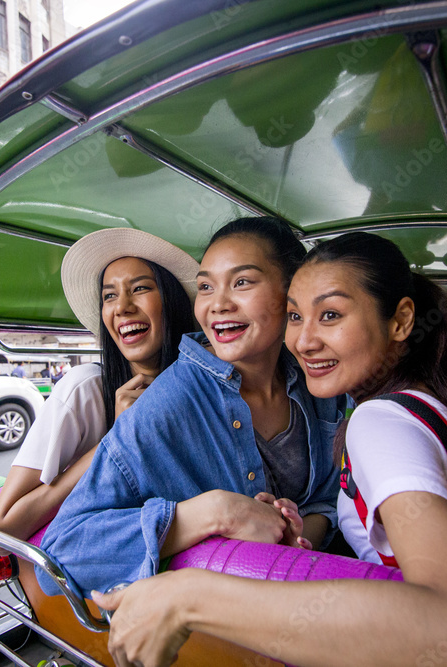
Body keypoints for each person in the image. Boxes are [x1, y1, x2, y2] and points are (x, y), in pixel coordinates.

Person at [92, 232, 447, 667]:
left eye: (330, 315)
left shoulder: (377, 422)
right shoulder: (427, 398)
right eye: (296, 316)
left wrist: (189, 598)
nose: (304, 341)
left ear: (402, 320)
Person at [38, 217, 350, 598]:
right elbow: (62, 552)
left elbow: (327, 496)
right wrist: (215, 513)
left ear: (292, 294)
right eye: (205, 287)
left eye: (242, 282)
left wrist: (297, 535)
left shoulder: (318, 383)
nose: (218, 304)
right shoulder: (165, 406)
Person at [0, 228, 198, 543]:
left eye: (140, 288)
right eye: (109, 295)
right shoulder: (84, 390)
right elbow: (2, 531)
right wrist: (116, 439)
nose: (122, 306)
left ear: (173, 301)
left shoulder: (203, 390)